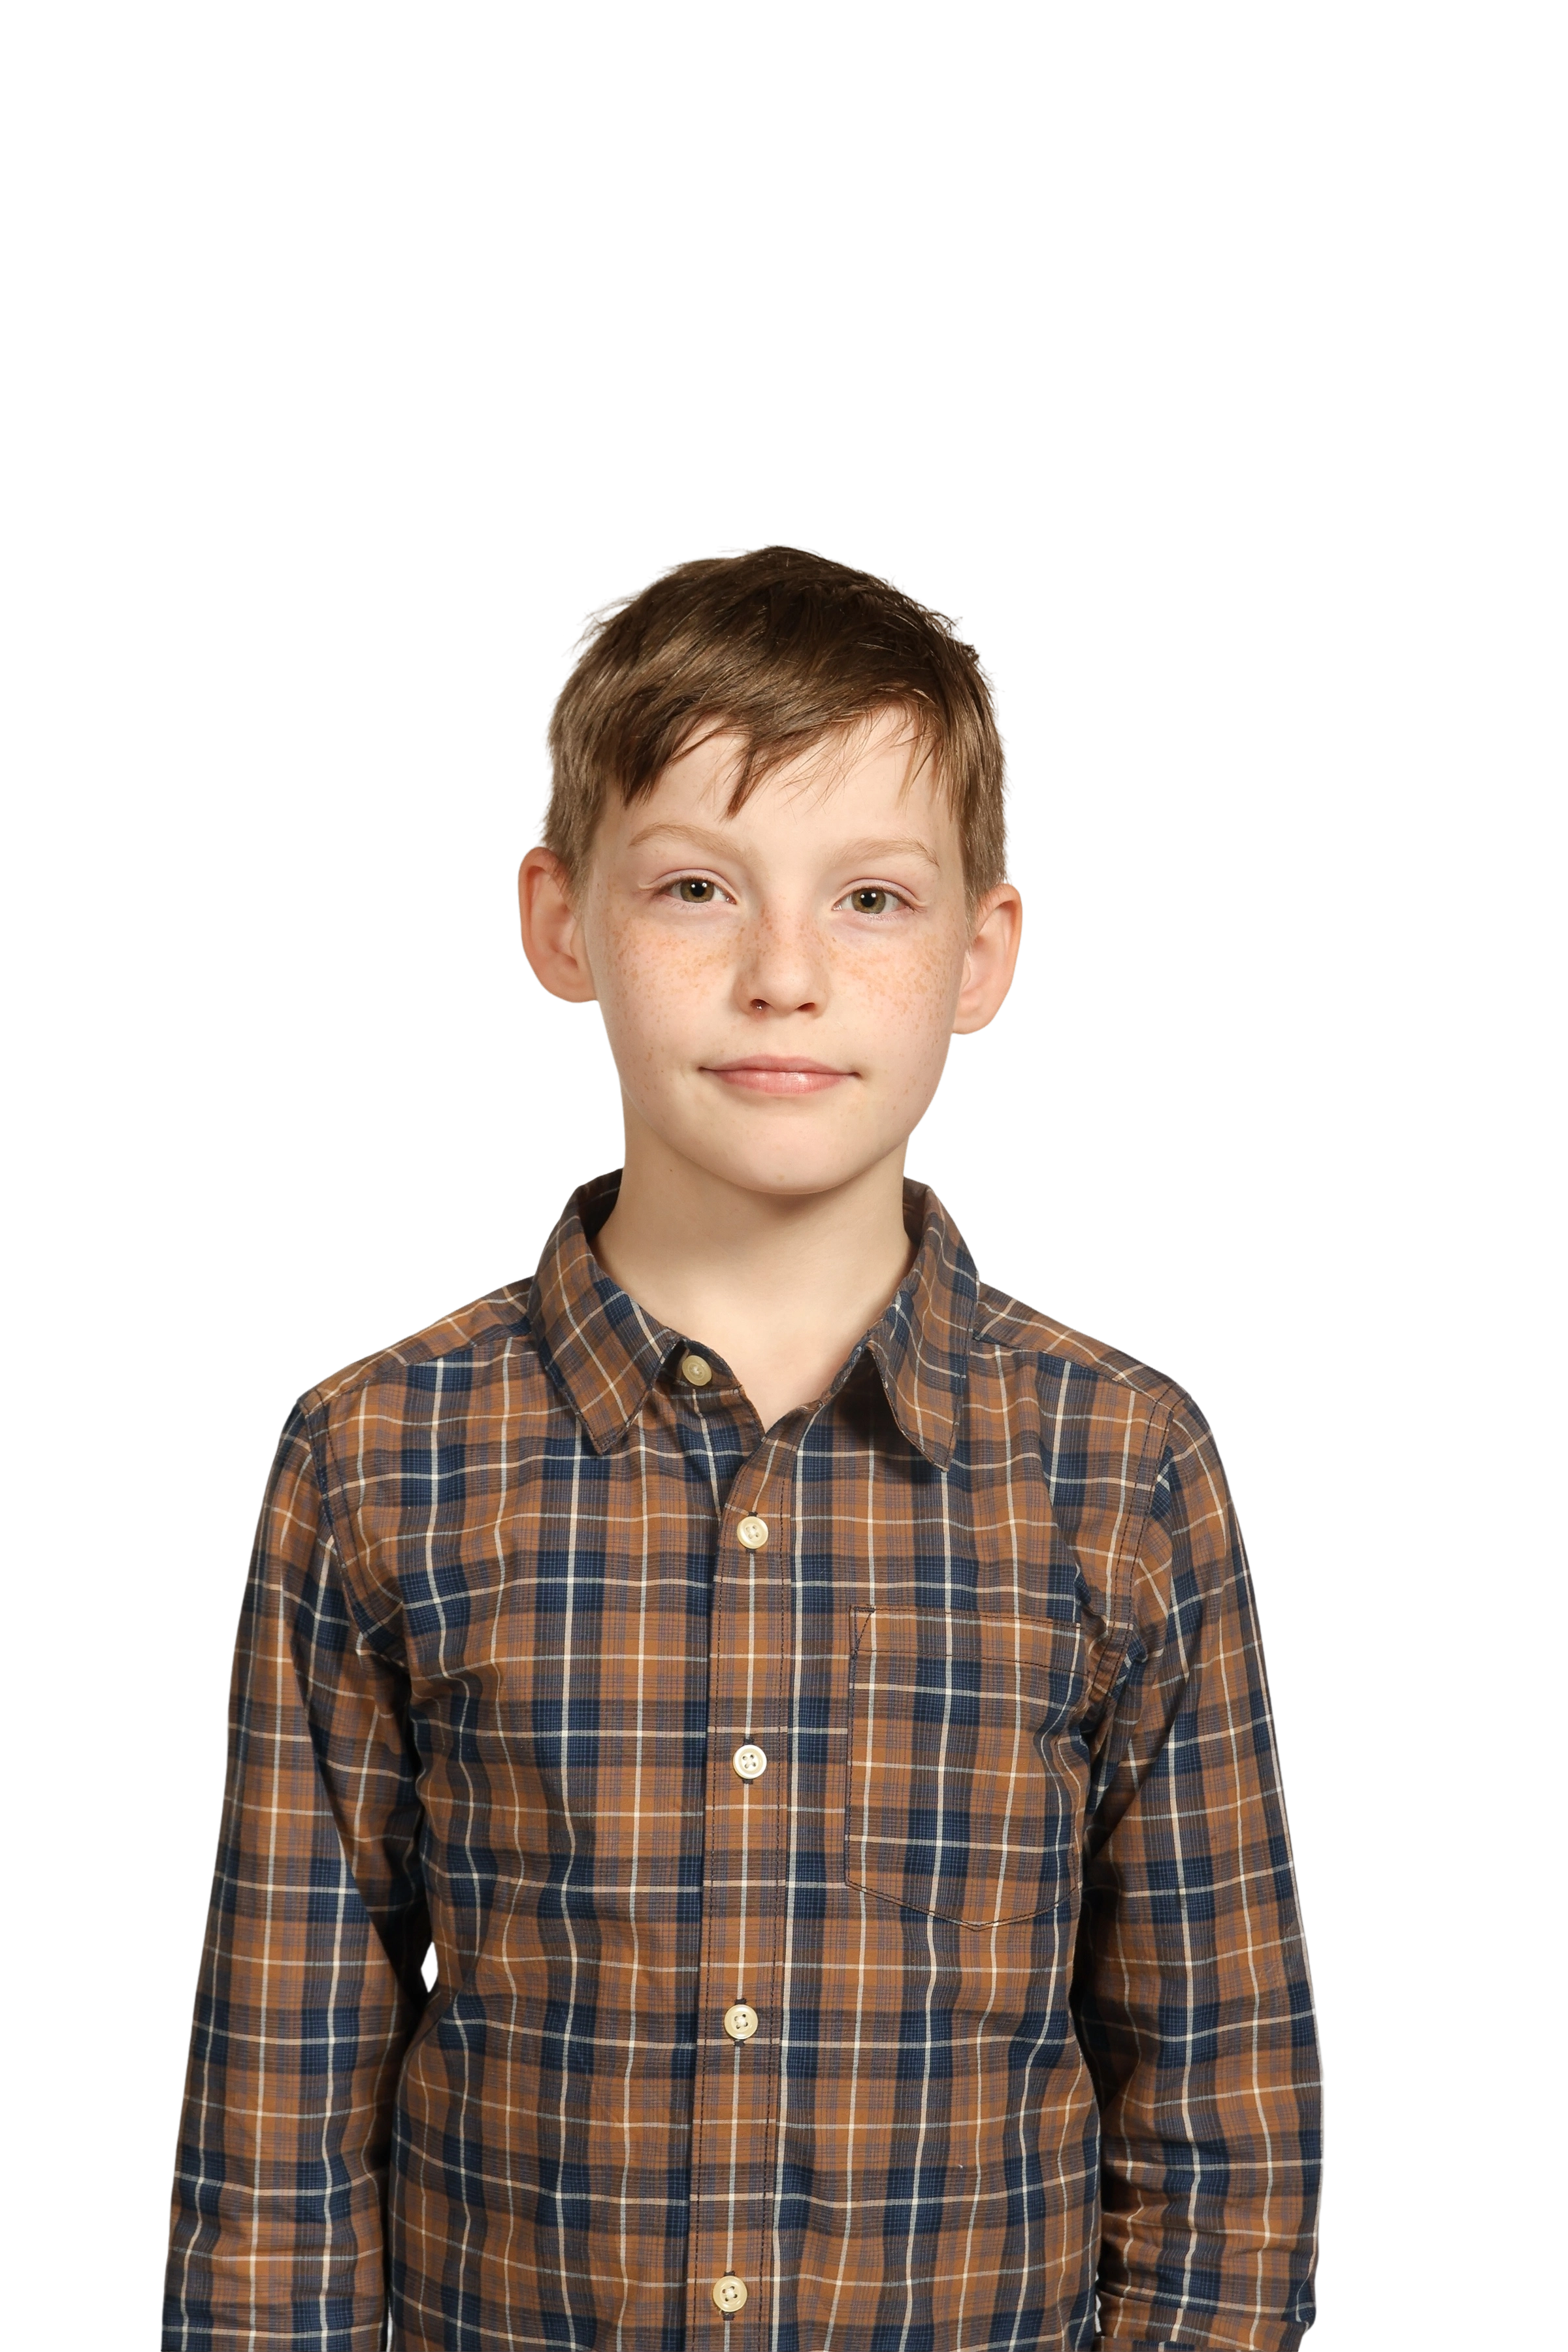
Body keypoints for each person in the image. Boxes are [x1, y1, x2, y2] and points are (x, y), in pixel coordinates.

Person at [161, 541, 1326, 2351]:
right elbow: (276, 2129)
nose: (786, 974)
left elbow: (1223, 2128)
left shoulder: (1123, 1467)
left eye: (872, 898)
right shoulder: (375, 1457)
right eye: (698, 887)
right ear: (561, 923)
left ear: (983, 952)